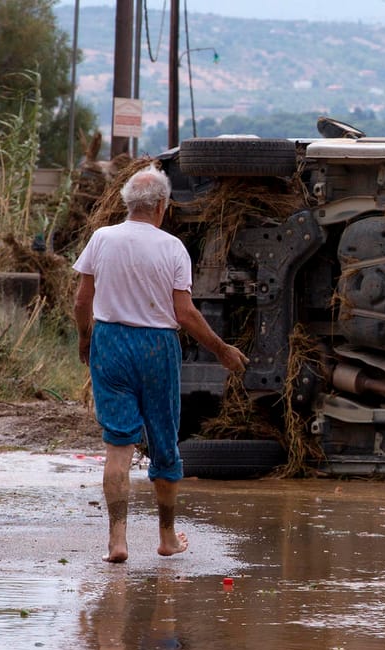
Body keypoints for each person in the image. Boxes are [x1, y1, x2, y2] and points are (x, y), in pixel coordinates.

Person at [73, 165, 248, 563]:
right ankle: (167, 537)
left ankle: (117, 541)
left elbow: (83, 300)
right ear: (163, 207)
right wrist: (221, 349)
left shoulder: (102, 238)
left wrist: (86, 337)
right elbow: (184, 313)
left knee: (118, 444)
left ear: (127, 203)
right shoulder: (172, 248)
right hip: (157, 347)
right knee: (165, 444)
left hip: (110, 341)